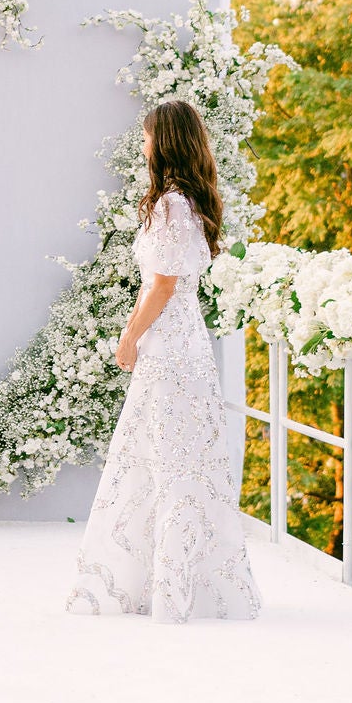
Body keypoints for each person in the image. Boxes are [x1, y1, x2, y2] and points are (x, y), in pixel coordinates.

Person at [67, 100, 262, 622]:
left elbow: (164, 283)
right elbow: (159, 283)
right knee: (163, 455)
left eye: (149, 135)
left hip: (172, 346)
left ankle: (173, 590)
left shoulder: (173, 205)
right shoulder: (184, 202)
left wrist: (130, 336)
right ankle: (164, 581)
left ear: (167, 141)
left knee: (167, 455)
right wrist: (134, 333)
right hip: (180, 341)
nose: (143, 144)